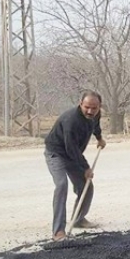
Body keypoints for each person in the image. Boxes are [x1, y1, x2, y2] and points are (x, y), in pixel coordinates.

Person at [44, 90, 107, 241]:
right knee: (61, 185)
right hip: (57, 153)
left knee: (86, 185)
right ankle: (58, 231)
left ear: (99, 107)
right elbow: (71, 149)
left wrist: (99, 138)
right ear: (80, 104)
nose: (90, 111)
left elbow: (95, 125)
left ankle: (78, 219)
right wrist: (86, 168)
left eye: (94, 108)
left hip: (72, 153)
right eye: (87, 107)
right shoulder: (71, 120)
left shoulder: (95, 114)